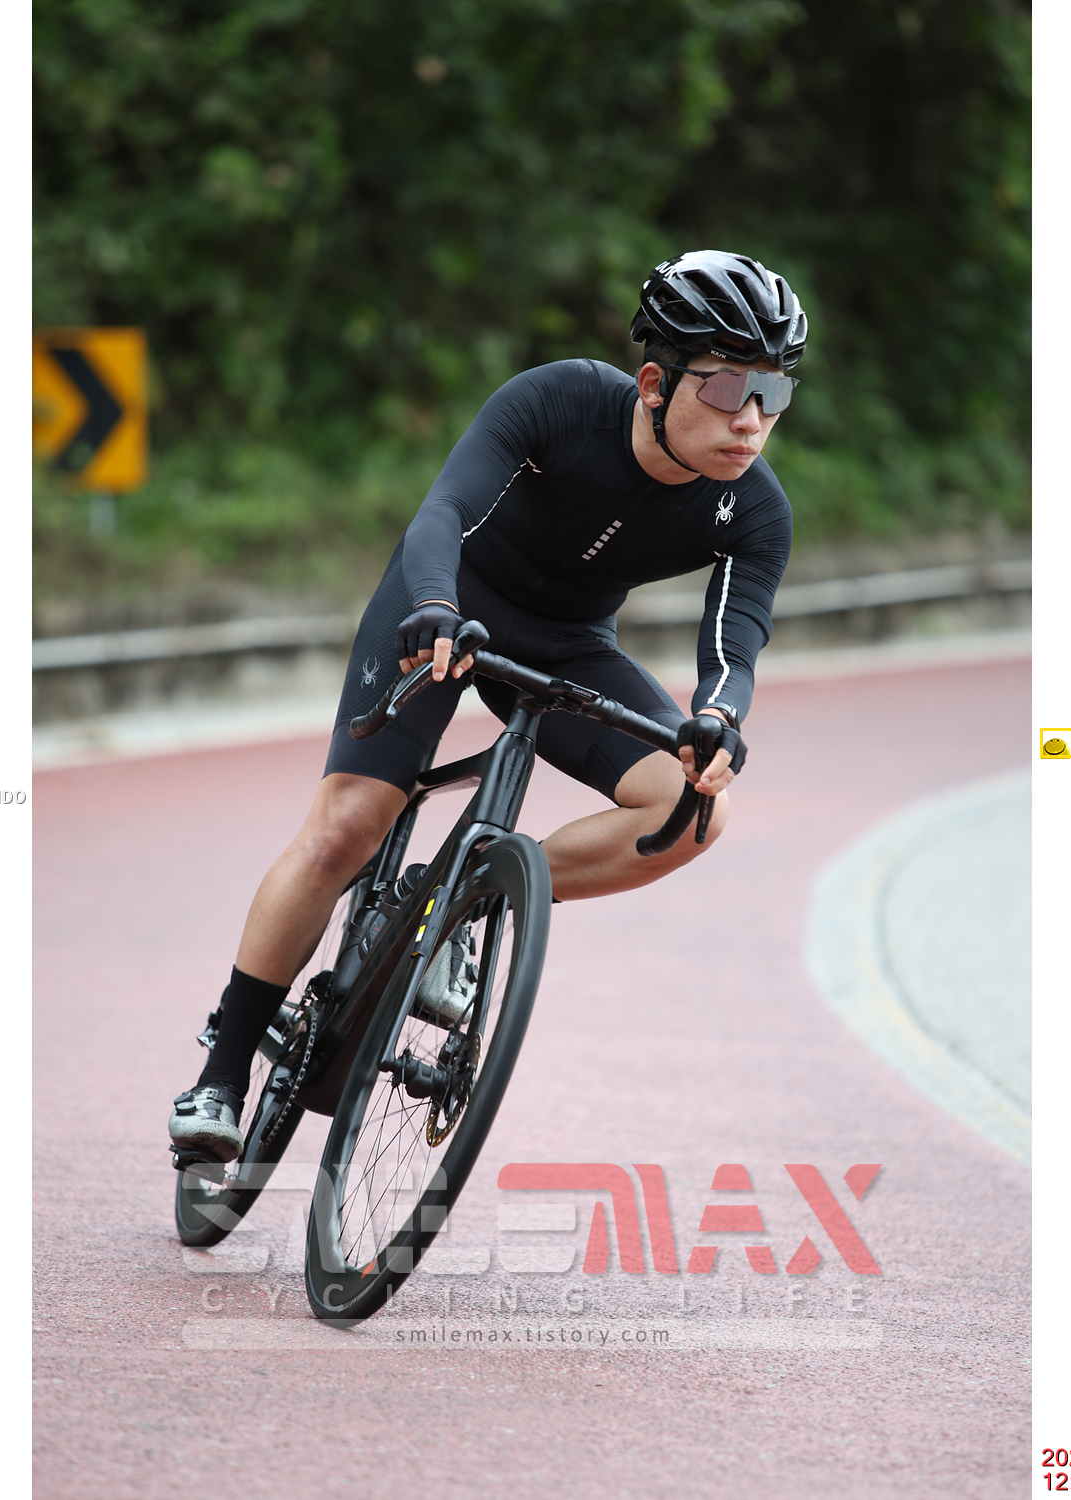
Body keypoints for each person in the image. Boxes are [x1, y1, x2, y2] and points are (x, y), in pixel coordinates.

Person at [169, 249, 808, 1160]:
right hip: (444, 601)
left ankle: (468, 900)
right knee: (347, 826)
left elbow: (731, 648)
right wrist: (433, 602)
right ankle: (221, 1073)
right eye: (728, 387)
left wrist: (718, 722)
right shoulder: (560, 399)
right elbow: (443, 511)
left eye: (772, 393)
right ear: (655, 384)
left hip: (565, 640)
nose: (751, 419)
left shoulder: (756, 511)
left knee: (694, 812)